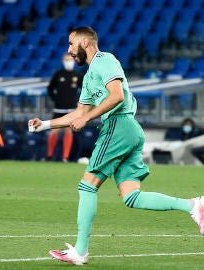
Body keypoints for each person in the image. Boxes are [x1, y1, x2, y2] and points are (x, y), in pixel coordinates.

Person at [28, 26, 204, 266]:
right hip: (128, 130)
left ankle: (80, 251)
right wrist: (45, 125)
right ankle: (194, 205)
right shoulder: (90, 76)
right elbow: (79, 112)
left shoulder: (105, 60)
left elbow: (117, 95)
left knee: (87, 186)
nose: (69, 50)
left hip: (118, 125)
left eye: (71, 44)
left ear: (86, 42)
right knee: (132, 196)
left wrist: (87, 119)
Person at [46, 53, 83, 162]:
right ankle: (49, 155)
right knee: (54, 131)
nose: (68, 62)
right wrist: (55, 98)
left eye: (70, 60)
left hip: (71, 109)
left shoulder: (77, 75)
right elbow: (50, 88)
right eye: (66, 60)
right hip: (58, 108)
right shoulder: (58, 75)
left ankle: (65, 157)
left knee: (68, 131)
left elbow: (85, 89)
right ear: (63, 61)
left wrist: (80, 102)